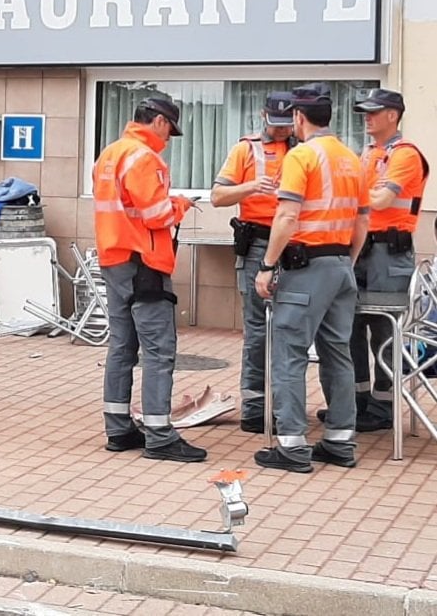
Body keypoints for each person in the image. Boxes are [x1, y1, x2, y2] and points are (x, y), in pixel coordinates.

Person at [254, 83, 368, 473]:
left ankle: (291, 446)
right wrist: (346, 261)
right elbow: (363, 219)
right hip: (339, 266)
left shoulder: (302, 156)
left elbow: (286, 217)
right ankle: (339, 441)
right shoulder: (352, 158)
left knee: (289, 352)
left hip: (306, 269)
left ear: (299, 118)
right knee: (338, 353)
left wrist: (268, 265)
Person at [93, 95, 206, 463]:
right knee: (159, 350)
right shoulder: (145, 158)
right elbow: (157, 214)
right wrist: (181, 205)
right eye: (169, 131)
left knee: (122, 345)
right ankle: (159, 433)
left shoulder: (110, 154)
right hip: (144, 262)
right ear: (158, 122)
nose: (168, 139)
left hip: (115, 259)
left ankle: (118, 426)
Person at [211, 93, 297, 433]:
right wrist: (250, 187)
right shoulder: (246, 149)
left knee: (288, 327)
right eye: (275, 124)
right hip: (258, 241)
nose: (280, 130)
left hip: (294, 244)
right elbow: (218, 196)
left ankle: (284, 405)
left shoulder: (302, 148)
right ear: (264, 116)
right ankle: (254, 407)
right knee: (258, 329)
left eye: (286, 123)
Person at [344, 89, 429, 431]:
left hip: (388, 254)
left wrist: (347, 196)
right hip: (363, 247)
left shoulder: (405, 155)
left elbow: (379, 200)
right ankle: (358, 402)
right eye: (365, 112)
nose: (366, 117)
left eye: (373, 112)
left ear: (392, 115)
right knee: (351, 325)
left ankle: (384, 407)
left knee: (384, 330)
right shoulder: (370, 153)